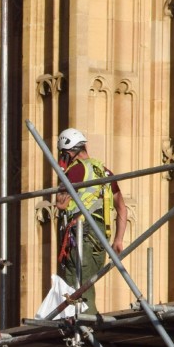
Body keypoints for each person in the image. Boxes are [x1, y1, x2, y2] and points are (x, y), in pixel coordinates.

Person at [53, 128, 128, 317]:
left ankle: (87, 327)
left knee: (76, 284)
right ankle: (84, 322)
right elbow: (122, 208)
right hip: (100, 237)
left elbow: (61, 205)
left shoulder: (76, 170)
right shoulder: (105, 171)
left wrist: (61, 177)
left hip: (83, 232)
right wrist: (118, 240)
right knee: (87, 281)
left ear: (69, 152)